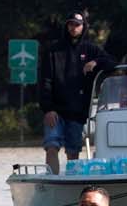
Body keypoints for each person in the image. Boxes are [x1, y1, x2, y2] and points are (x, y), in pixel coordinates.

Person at [40, 11, 115, 174]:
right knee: (51, 145)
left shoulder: (91, 49)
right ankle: (53, 180)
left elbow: (112, 63)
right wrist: (48, 109)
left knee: (73, 150)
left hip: (77, 112)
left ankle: (70, 180)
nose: (74, 28)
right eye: (71, 24)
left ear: (83, 27)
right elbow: (45, 81)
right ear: (66, 26)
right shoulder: (53, 51)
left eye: (77, 25)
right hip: (55, 111)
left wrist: (96, 62)